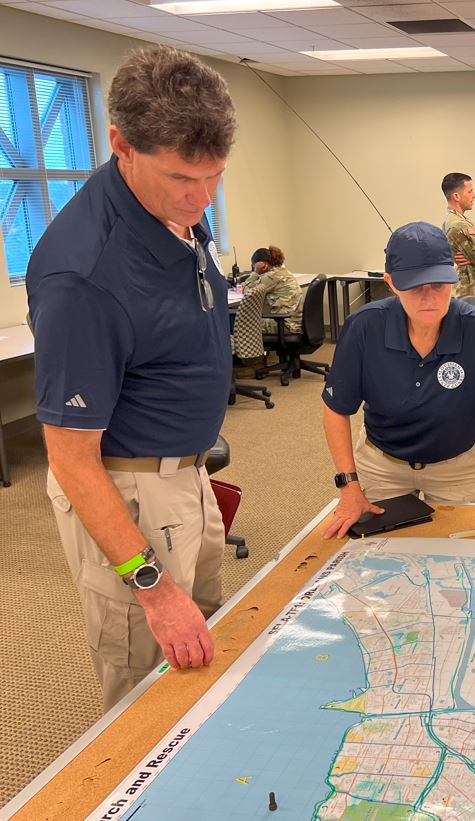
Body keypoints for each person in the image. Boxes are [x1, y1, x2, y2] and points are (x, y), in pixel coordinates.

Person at [27, 46, 237, 710]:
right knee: (149, 689)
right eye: (183, 178)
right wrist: (152, 583)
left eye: (215, 177)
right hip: (129, 494)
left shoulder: (178, 212)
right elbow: (70, 458)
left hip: (188, 477)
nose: (202, 200)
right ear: (121, 144)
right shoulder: (82, 274)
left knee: (207, 654)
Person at [321, 221, 475, 543]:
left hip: (459, 463)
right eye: (415, 287)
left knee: (465, 555)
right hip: (382, 461)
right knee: (377, 557)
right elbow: (336, 410)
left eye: (439, 284)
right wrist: (349, 487)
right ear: (390, 283)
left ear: (454, 279)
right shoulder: (363, 328)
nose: (429, 298)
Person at [442, 172, 475, 310]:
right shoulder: (459, 225)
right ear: (456, 196)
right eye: (470, 191)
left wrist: (472, 259)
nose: (474, 195)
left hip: (464, 291)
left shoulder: (451, 220)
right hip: (466, 293)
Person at [245, 245, 302, 334]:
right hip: (293, 323)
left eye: (254, 266)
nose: (254, 268)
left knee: (240, 323)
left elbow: (247, 291)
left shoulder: (271, 276)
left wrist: (255, 272)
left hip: (283, 325)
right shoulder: (283, 271)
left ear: (263, 264)